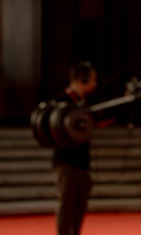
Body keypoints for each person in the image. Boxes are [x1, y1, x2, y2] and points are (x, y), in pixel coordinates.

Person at [52, 61, 98, 235]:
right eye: (93, 79)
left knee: (79, 207)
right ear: (81, 79)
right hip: (66, 163)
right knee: (66, 205)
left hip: (83, 163)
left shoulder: (83, 103)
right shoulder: (61, 102)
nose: (96, 84)